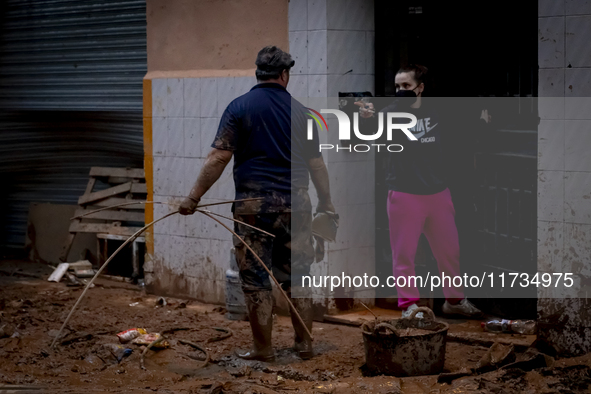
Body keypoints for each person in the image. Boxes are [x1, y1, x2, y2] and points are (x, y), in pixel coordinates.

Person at [179, 46, 335, 361]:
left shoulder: (239, 108)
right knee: (299, 276)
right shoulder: (303, 113)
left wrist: (193, 197)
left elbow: (219, 156)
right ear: (284, 74)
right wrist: (326, 204)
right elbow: (317, 164)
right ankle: (304, 345)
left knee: (255, 279)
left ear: (257, 73)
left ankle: (263, 349)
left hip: (252, 209)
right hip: (296, 206)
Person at [357, 64, 484, 319]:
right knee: (404, 254)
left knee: (449, 252)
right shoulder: (389, 114)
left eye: (406, 86)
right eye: (397, 86)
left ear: (420, 88)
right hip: (405, 194)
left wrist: (482, 117)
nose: (400, 90)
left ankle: (454, 300)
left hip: (438, 192)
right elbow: (370, 131)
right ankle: (409, 306)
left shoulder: (438, 112)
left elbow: (461, 131)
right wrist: (365, 117)